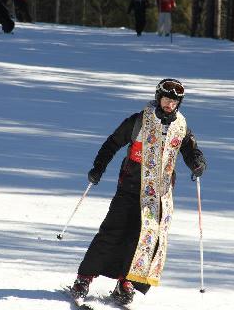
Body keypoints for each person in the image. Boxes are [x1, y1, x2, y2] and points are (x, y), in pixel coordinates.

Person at [69, 79, 207, 305]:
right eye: (165, 99)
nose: (169, 104)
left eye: (173, 101)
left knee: (144, 240)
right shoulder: (140, 120)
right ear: (157, 97)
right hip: (130, 187)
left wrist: (198, 164)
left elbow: (192, 151)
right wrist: (98, 168)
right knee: (111, 232)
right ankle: (84, 279)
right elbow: (112, 143)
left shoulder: (181, 127)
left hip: (158, 196)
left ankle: (126, 282)